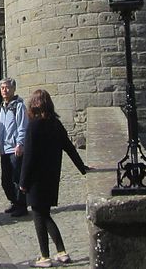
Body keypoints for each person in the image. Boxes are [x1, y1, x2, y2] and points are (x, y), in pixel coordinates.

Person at [18, 89, 91, 267]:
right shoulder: (55, 124)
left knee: (39, 216)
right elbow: (70, 148)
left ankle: (44, 257)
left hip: (36, 179)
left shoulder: (33, 126)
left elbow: (29, 157)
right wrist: (83, 168)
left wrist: (23, 182)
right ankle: (62, 252)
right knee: (45, 215)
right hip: (51, 177)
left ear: (33, 105)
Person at [0, 77, 29, 217]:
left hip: (15, 148)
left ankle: (22, 206)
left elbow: (23, 126)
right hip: (4, 149)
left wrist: (20, 144)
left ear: (13, 89)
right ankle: (14, 202)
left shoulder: (19, 106)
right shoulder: (1, 107)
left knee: (17, 179)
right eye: (2, 88)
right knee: (6, 180)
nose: (5, 90)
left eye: (7, 87)